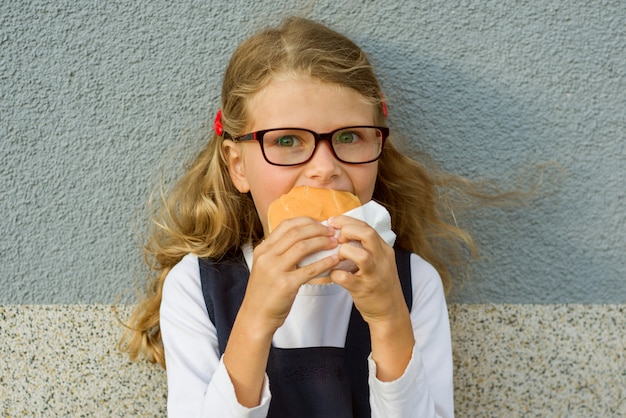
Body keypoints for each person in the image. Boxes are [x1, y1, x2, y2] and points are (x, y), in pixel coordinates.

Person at [120, 16, 484, 417]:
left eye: (349, 137)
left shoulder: (413, 283)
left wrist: (389, 320)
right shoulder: (196, 287)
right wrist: (256, 319)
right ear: (237, 165)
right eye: (288, 141)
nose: (324, 168)